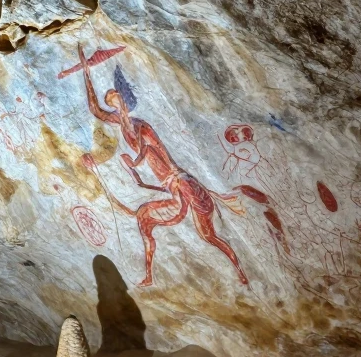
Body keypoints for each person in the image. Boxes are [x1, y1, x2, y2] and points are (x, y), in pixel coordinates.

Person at [69, 46, 250, 288]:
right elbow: (95, 111)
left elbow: (156, 151)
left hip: (180, 182)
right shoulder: (123, 125)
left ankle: (240, 271)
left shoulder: (141, 126)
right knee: (145, 218)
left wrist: (134, 162)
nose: (112, 103)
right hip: (170, 186)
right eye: (110, 100)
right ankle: (149, 275)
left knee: (208, 235)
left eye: (115, 98)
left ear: (124, 101)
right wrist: (86, 72)